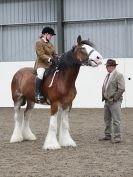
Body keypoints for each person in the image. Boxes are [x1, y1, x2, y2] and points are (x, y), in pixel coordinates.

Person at [100, 59, 125, 143]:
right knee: (107, 119)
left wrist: (115, 98)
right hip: (107, 101)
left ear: (113, 66)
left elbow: (122, 88)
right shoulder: (108, 75)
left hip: (114, 101)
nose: (106, 67)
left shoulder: (119, 75)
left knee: (116, 120)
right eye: (106, 66)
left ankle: (117, 138)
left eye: (108, 66)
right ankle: (107, 135)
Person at [34, 26, 57, 102]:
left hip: (50, 65)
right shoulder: (39, 42)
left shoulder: (51, 44)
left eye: (51, 36)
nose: (51, 37)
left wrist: (58, 58)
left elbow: (54, 54)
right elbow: (40, 54)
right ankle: (37, 94)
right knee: (40, 74)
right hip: (41, 64)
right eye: (50, 35)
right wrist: (50, 59)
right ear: (45, 34)